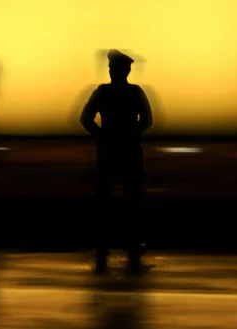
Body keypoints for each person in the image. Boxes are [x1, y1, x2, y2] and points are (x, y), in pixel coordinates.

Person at [80, 49, 153, 276]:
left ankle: (122, 242)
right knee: (108, 198)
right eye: (111, 68)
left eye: (115, 68)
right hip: (116, 152)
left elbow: (147, 120)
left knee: (129, 198)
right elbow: (86, 119)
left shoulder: (128, 93)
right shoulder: (108, 92)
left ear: (125, 70)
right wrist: (103, 136)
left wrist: (115, 136)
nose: (112, 71)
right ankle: (108, 242)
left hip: (123, 152)